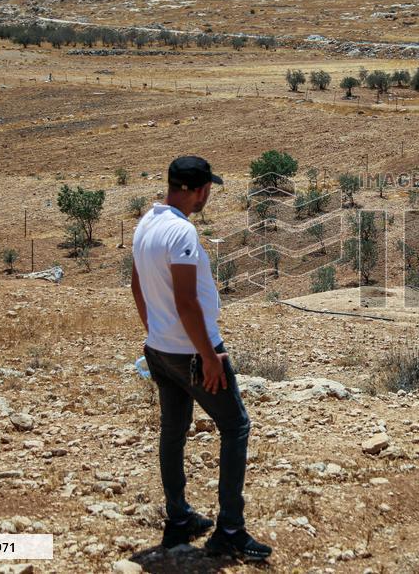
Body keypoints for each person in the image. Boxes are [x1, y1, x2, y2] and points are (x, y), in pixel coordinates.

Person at [131, 155, 272, 561]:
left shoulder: (147, 223)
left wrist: (155, 331)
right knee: (236, 426)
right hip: (191, 351)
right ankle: (229, 529)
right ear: (199, 190)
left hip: (159, 349)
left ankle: (178, 519)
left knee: (174, 430)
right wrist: (208, 357)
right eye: (208, 188)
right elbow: (188, 303)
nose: (208, 194)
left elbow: (138, 287)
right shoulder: (183, 234)